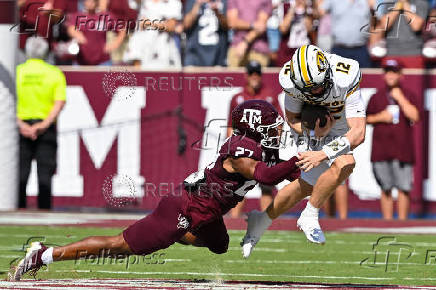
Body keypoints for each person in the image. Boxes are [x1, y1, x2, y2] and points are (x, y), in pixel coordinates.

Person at [10, 100, 300, 281]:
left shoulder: (255, 146)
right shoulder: (242, 151)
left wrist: (315, 165)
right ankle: (44, 254)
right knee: (119, 246)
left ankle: (175, 235)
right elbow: (268, 176)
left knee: (219, 245)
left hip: (205, 212)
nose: (276, 131)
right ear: (252, 128)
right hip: (184, 208)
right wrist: (297, 161)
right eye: (270, 126)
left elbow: (284, 170)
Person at [242, 44, 366, 257]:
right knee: (312, 182)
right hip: (308, 127)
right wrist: (312, 136)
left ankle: (304, 213)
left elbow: (358, 132)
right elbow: (292, 119)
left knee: (330, 173)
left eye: (318, 86)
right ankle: (269, 219)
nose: (317, 91)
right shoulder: (290, 81)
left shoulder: (346, 73)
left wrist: (323, 152)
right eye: (311, 89)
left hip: (338, 123)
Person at [227, 60, 282, 217]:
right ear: (246, 75)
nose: (254, 76)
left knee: (266, 186)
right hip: (244, 148)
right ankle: (233, 223)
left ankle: (267, 223)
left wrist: (273, 144)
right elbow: (230, 125)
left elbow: (279, 123)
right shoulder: (237, 98)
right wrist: (231, 147)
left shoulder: (270, 96)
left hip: (264, 147)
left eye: (257, 73)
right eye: (251, 73)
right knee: (240, 186)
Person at [16, 37, 66, 210]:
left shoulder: (18, 71)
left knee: (19, 175)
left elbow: (5, 101)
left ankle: (17, 211)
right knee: (45, 174)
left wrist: (21, 124)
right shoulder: (54, 73)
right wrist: (43, 124)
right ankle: (44, 213)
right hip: (45, 129)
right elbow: (59, 102)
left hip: (20, 127)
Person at [366, 59, 419, 220]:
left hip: (402, 150)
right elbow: (365, 119)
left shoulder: (409, 95)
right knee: (386, 187)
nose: (390, 75)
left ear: (400, 75)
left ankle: (402, 224)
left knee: (404, 188)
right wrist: (380, 117)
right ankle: (387, 223)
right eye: (388, 71)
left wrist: (401, 99)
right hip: (381, 149)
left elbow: (415, 116)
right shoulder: (377, 96)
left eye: (394, 71)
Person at [123, 0, 182, 69]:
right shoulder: (144, 2)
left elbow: (171, 26)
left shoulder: (173, 2)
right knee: (139, 76)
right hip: (142, 48)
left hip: (162, 49)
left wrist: (150, 23)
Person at [66, 0, 126, 65]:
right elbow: (71, 29)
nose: (90, 3)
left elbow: (122, 30)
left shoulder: (105, 16)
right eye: (88, 1)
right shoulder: (77, 16)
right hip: (81, 61)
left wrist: (115, 44)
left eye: (93, 1)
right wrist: (76, 34)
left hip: (103, 61)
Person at [318, 0, 373, 68]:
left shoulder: (367, 1)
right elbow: (319, 12)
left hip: (361, 49)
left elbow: (378, 18)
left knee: (364, 77)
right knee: (337, 77)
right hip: (339, 49)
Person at [377, 0, 429, 68]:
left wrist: (404, 4)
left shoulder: (421, 3)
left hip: (413, 53)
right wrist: (396, 8)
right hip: (391, 52)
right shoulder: (389, 3)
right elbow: (384, 25)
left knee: (413, 78)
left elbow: (416, 26)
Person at [226, 0, 272, 67]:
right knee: (234, 76)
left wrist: (245, 42)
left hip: (258, 50)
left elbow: (261, 25)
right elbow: (231, 22)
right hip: (236, 48)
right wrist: (252, 25)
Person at [183, 0, 228, 66]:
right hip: (194, 55)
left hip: (217, 56)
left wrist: (217, 12)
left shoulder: (222, 2)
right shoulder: (192, 1)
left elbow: (228, 25)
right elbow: (186, 25)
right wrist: (197, 4)